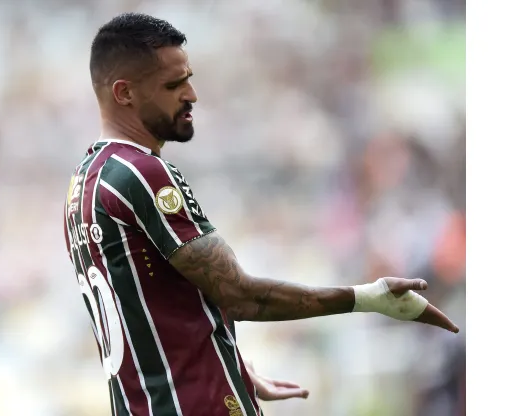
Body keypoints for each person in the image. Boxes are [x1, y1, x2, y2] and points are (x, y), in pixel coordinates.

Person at [62, 12, 459, 416]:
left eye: (188, 78)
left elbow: (146, 307)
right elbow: (239, 295)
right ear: (124, 93)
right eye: (173, 84)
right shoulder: (142, 173)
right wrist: (367, 298)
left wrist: (224, 361)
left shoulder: (82, 186)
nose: (192, 94)